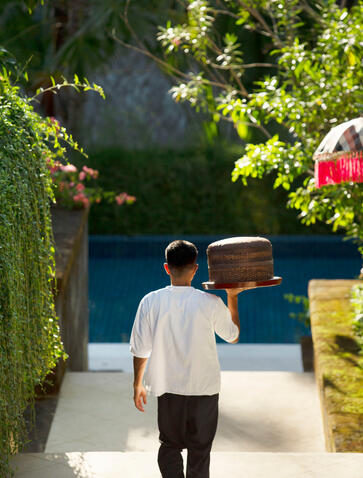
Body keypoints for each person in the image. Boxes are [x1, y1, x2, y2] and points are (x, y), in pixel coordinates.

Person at [129, 239, 246, 478]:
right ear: (195, 269)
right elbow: (233, 336)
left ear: (166, 267)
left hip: (168, 387)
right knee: (200, 451)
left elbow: (141, 349)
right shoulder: (210, 302)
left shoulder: (150, 301)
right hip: (204, 388)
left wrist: (137, 384)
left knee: (170, 446)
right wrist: (232, 297)